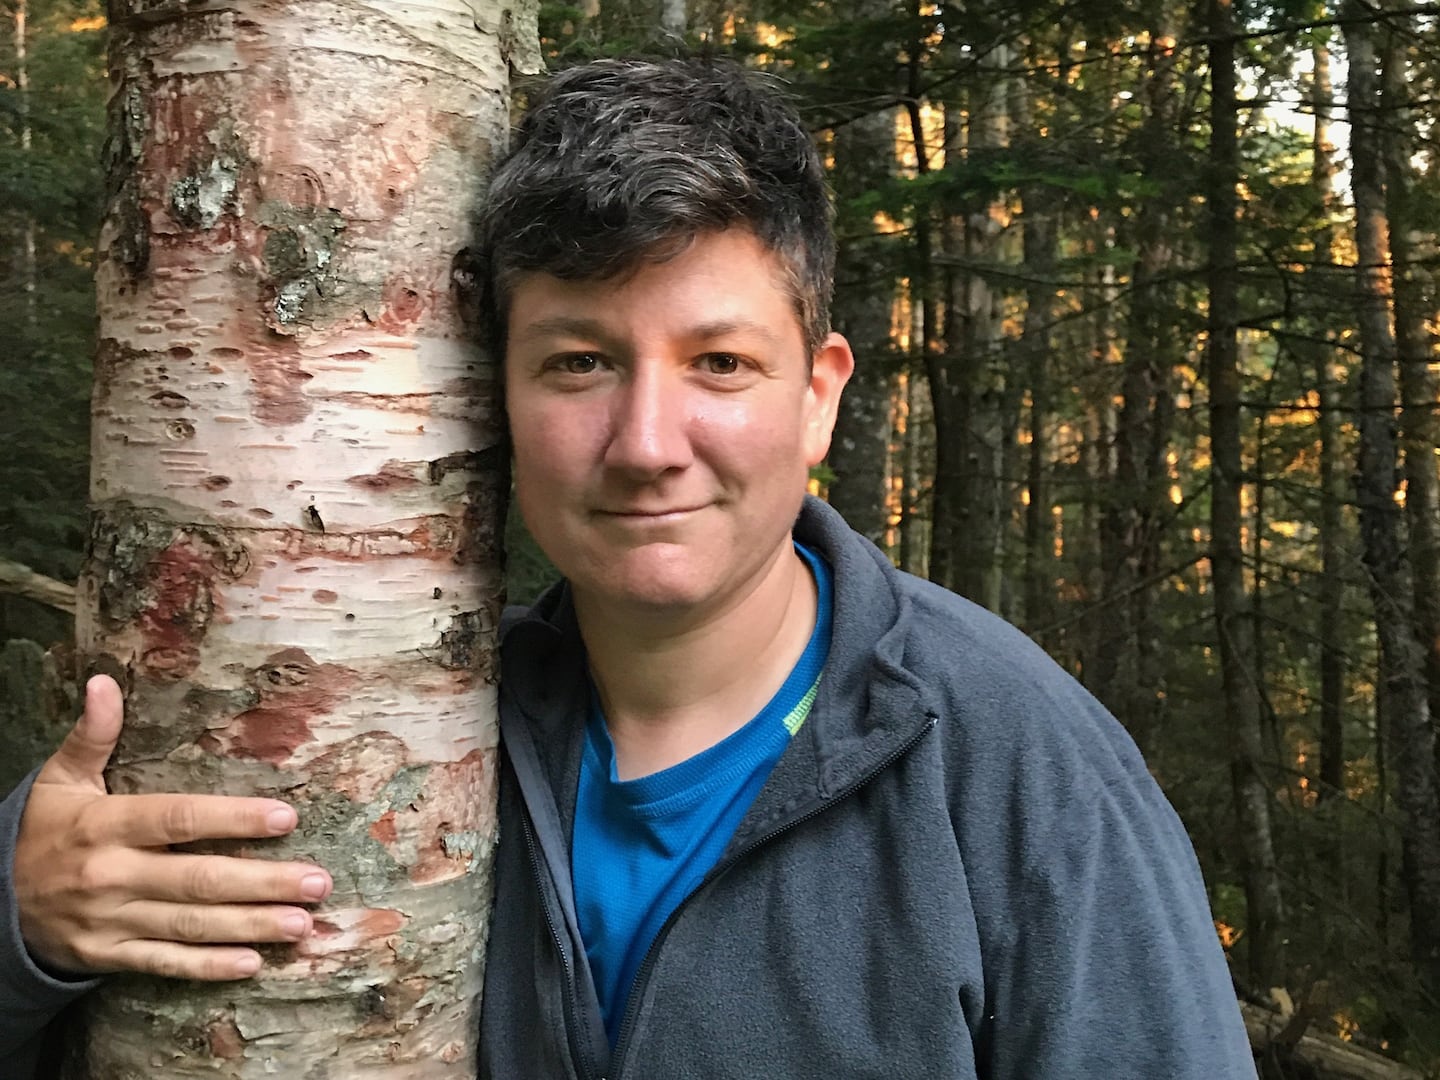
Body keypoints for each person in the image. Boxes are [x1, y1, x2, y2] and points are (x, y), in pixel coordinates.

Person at [0, 58, 1257, 1078]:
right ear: (489, 396)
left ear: (819, 399)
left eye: (719, 364)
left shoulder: (1013, 766)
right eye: (579, 362)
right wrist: (23, 929)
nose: (649, 446)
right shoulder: (389, 719)